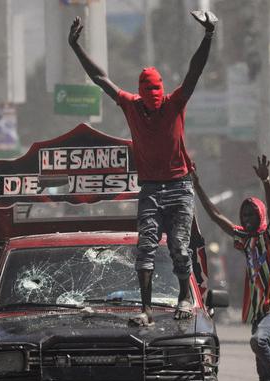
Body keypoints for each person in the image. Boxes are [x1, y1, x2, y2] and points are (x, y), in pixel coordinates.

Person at [68, 11, 217, 326]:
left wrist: (208, 36)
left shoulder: (174, 103)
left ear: (162, 91)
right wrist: (75, 47)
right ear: (141, 92)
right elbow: (100, 78)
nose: (153, 101)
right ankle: (147, 308)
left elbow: (195, 70)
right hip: (150, 187)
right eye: (149, 95)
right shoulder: (131, 105)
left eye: (157, 95)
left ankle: (183, 296)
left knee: (179, 244)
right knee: (146, 246)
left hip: (179, 186)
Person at [192, 155, 270, 381]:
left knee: (258, 342)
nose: (247, 218)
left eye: (251, 213)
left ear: (260, 214)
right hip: (260, 313)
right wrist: (197, 186)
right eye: (244, 213)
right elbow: (215, 216)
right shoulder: (245, 240)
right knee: (260, 366)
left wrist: (266, 181)